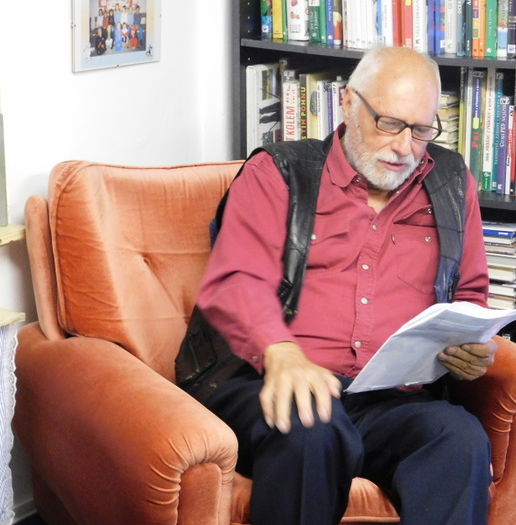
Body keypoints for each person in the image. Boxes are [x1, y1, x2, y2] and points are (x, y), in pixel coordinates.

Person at [194, 46, 497, 525]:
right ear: (349, 103)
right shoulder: (279, 172)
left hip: (391, 400)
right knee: (311, 428)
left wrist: (472, 344)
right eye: (390, 124)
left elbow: (470, 292)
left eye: (421, 130)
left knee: (459, 438)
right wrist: (280, 352)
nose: (405, 147)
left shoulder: (452, 182)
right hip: (272, 382)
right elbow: (237, 280)